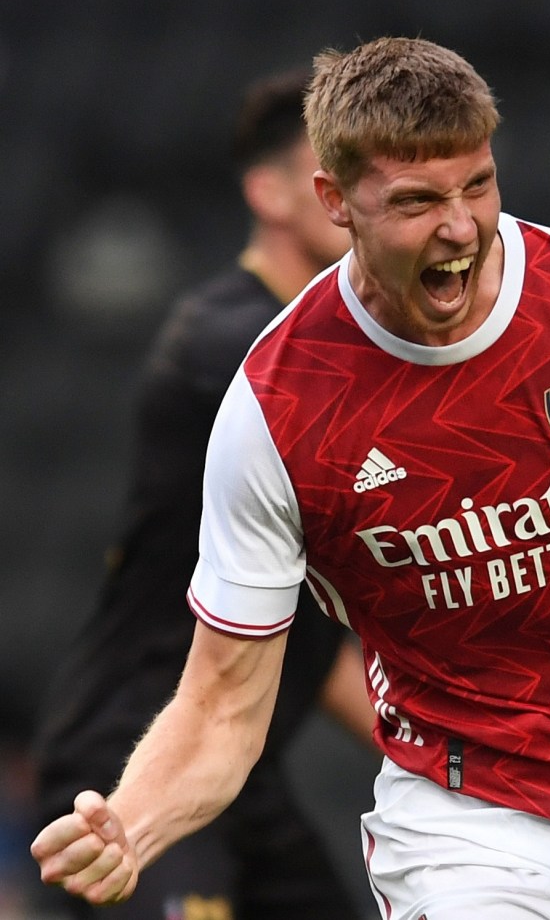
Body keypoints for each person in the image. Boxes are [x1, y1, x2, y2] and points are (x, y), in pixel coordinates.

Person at [31, 37, 550, 920]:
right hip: (475, 823)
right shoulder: (277, 405)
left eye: (475, 185)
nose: (458, 227)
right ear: (335, 201)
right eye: (414, 200)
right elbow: (220, 706)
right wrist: (133, 822)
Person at [30, 67, 375, 920]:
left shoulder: (328, 345)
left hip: (236, 768)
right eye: (338, 176)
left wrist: (486, 761)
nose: (364, 201)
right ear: (272, 192)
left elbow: (316, 640)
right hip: (134, 764)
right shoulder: (232, 346)